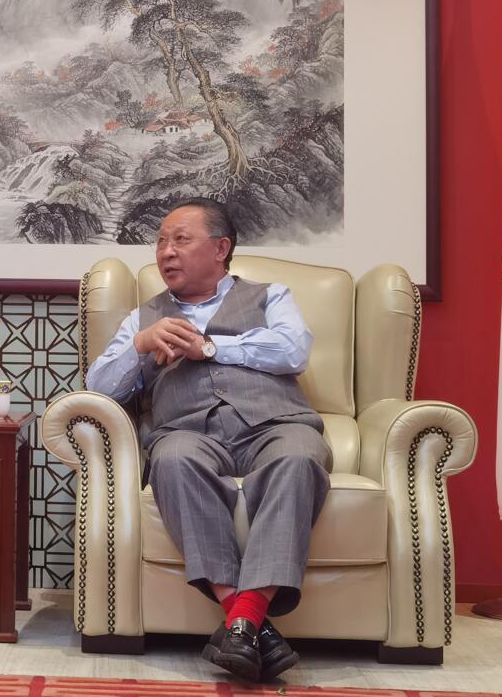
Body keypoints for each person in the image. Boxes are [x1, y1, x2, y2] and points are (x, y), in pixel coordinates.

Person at [85, 197, 331, 683]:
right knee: (172, 460)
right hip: (187, 431)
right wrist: (138, 346)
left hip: (275, 425)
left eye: (181, 239)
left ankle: (241, 623)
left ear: (221, 248)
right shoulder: (143, 317)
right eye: (161, 242)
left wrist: (211, 347)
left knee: (300, 457)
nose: (166, 252)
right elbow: (99, 390)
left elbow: (293, 350)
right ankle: (248, 621)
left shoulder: (270, 295)